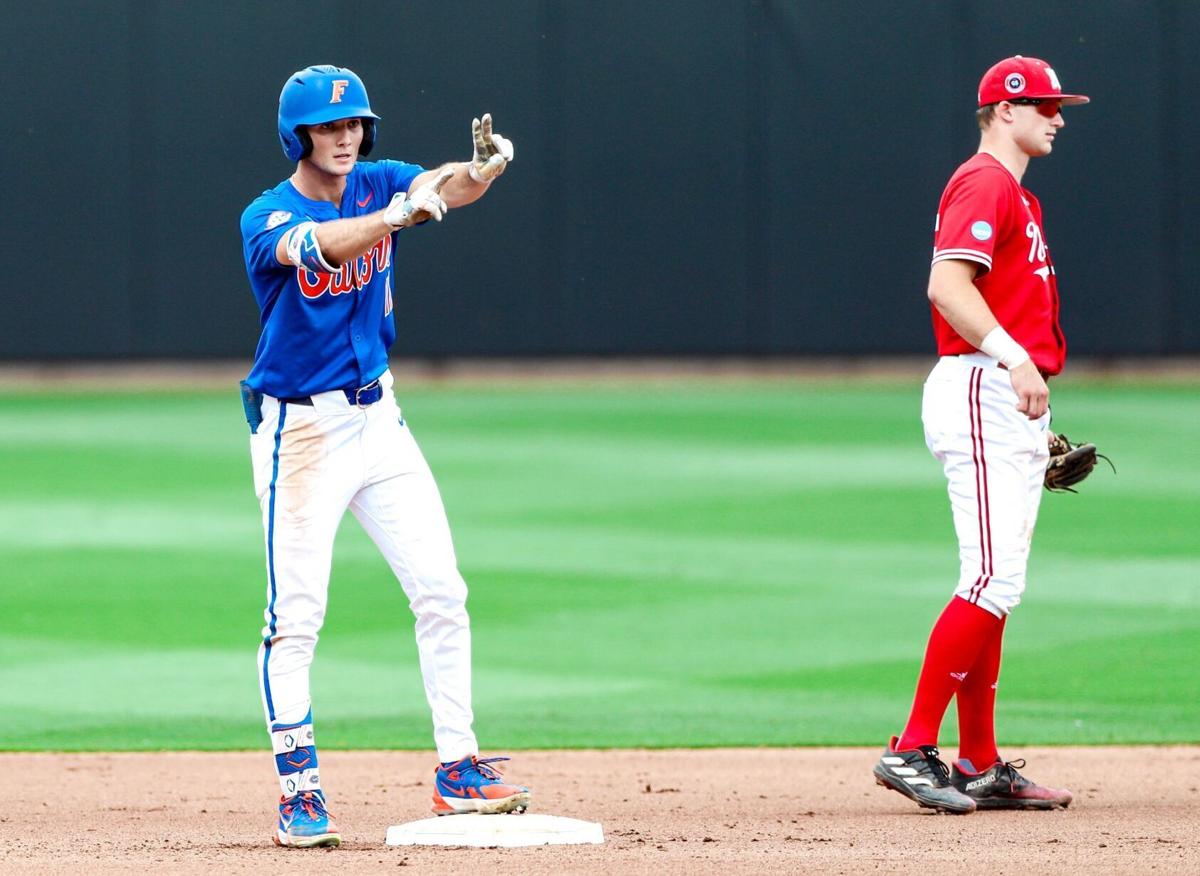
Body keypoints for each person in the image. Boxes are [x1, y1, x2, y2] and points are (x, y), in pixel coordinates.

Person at [238, 64, 528, 848]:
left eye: (354, 124)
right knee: (294, 620)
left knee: (442, 590)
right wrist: (400, 215)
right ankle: (299, 791)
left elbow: (442, 185)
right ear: (297, 136)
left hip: (380, 418)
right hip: (301, 433)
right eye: (328, 128)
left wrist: (480, 169)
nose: (344, 138)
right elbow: (322, 247)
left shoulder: (379, 182)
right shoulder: (267, 215)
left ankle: (457, 769)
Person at [872, 56, 1089, 814]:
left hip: (1005, 396)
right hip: (980, 386)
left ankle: (980, 761)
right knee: (991, 581)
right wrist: (1014, 359)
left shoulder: (1016, 196)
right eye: (1048, 107)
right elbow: (946, 285)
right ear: (1005, 109)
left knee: (997, 585)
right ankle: (911, 748)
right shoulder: (986, 182)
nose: (1059, 118)